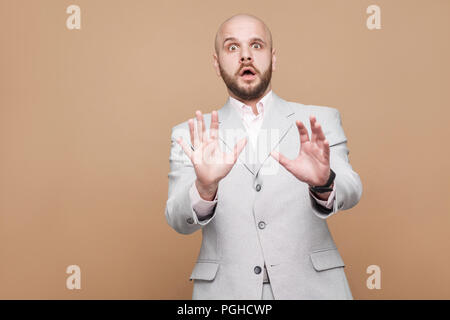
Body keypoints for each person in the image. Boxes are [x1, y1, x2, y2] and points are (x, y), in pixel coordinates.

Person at [165, 13, 363, 300]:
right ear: (216, 62)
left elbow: (352, 188)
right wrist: (204, 189)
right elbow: (177, 219)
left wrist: (324, 182)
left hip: (315, 290)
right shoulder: (190, 134)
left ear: (273, 57)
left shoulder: (319, 120)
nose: (246, 56)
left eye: (256, 46)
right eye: (232, 47)